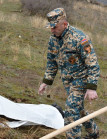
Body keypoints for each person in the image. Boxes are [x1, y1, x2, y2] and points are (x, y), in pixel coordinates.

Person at [38, 8, 100, 139]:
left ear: (64, 24)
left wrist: (91, 87)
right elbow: (51, 62)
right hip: (67, 81)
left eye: (54, 27)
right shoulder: (53, 39)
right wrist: (46, 81)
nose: (52, 30)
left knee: (71, 109)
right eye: (50, 27)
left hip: (81, 80)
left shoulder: (80, 38)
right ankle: (93, 132)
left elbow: (92, 63)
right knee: (78, 109)